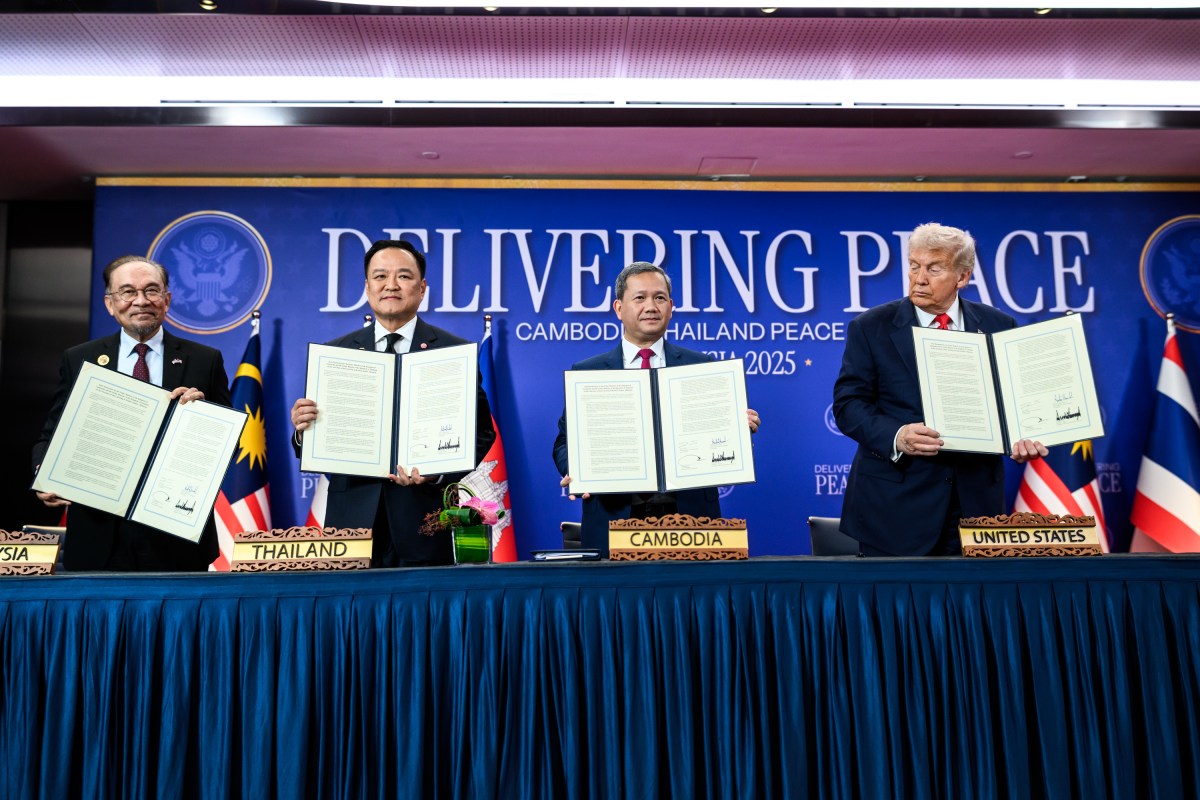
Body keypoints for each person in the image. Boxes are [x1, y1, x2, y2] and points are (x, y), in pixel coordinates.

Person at [833, 222, 1047, 557]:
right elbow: (848, 405)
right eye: (914, 266)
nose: (919, 278)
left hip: (976, 509)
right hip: (895, 509)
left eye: (934, 269)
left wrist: (1024, 434)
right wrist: (898, 435)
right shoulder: (871, 327)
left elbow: (1015, 405)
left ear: (962, 277)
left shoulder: (998, 326)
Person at [291, 240, 495, 567]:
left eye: (403, 276)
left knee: (425, 616)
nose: (391, 285)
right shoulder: (336, 355)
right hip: (351, 522)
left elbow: (483, 432)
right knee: (353, 617)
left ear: (422, 287)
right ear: (367, 287)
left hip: (425, 519)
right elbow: (315, 443)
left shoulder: (454, 352)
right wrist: (304, 431)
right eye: (380, 276)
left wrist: (437, 474)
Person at [32, 255, 231, 571]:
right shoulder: (79, 359)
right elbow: (51, 434)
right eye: (127, 292)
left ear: (166, 301)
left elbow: (226, 445)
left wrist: (201, 417)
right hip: (98, 533)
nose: (141, 301)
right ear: (110, 304)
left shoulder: (205, 360)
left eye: (152, 291)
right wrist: (43, 474)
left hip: (175, 533)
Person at [553, 261, 761, 554]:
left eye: (659, 298)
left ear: (671, 307)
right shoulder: (589, 372)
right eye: (640, 298)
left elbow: (719, 441)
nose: (651, 306)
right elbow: (564, 442)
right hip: (615, 516)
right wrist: (578, 470)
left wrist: (736, 430)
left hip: (691, 521)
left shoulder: (702, 368)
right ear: (618, 308)